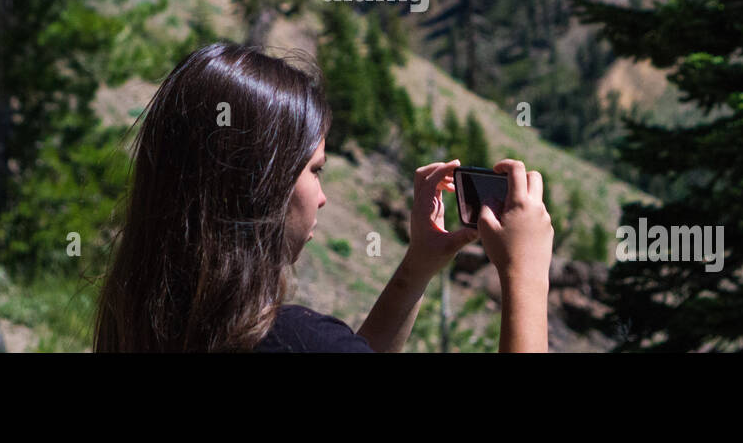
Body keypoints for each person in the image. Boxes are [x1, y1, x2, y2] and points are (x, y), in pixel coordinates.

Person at [92, 41, 553, 352]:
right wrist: (527, 277)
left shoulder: (139, 319)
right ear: (262, 183)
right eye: (315, 170)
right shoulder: (292, 340)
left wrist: (418, 266)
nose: (323, 198)